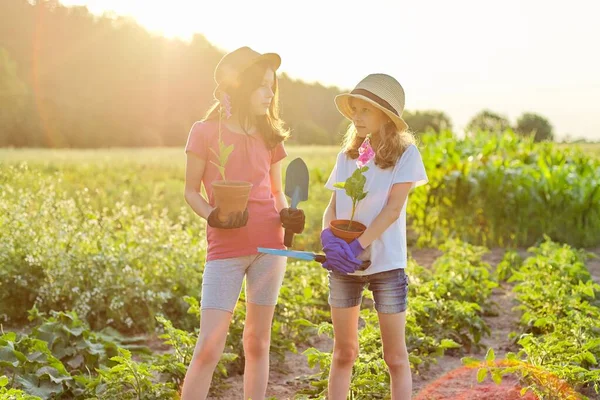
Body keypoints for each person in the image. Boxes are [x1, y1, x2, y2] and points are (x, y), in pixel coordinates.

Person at [181, 46, 305, 400]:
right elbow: (190, 192)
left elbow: (278, 192)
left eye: (272, 87)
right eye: (263, 86)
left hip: (270, 247)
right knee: (209, 345)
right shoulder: (204, 132)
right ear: (241, 86)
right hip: (226, 247)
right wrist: (213, 216)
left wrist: (288, 216)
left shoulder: (270, 137)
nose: (270, 94)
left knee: (257, 341)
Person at [320, 73, 428, 400]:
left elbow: (393, 209)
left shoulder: (406, 157)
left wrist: (358, 244)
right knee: (343, 353)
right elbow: (333, 206)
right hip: (345, 267)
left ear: (385, 115)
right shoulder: (347, 157)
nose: (356, 116)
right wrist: (329, 239)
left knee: (394, 358)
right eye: (354, 109)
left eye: (365, 109)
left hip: (387, 267)